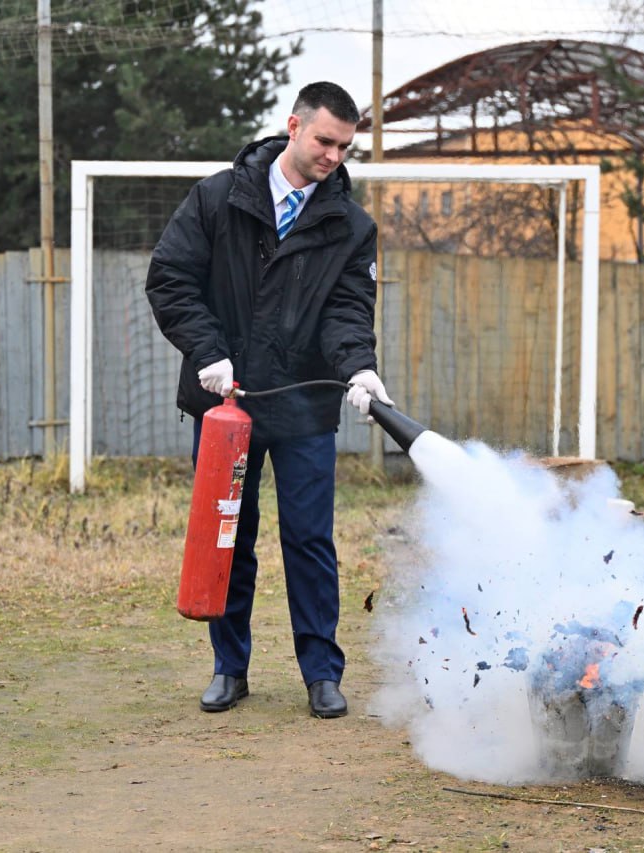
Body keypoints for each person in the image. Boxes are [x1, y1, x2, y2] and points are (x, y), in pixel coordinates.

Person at [146, 81, 393, 718]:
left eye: (345, 146)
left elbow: (346, 313)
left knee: (310, 540)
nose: (334, 156)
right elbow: (170, 279)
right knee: (231, 535)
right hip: (224, 405)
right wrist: (206, 351)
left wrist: (359, 370)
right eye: (324, 140)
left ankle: (321, 674)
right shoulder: (218, 197)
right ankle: (230, 668)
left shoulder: (350, 226)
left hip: (303, 410)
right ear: (293, 126)